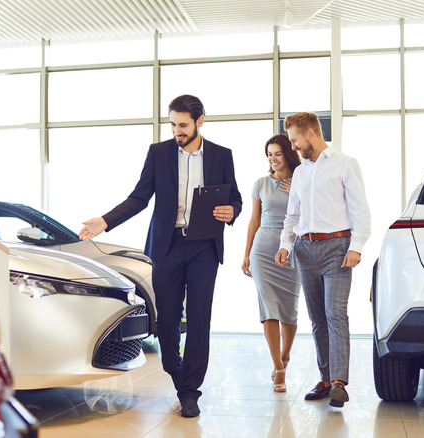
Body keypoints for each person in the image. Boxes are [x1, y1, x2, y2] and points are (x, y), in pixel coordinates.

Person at [80, 94, 242, 418]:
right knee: (167, 319)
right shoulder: (158, 153)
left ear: (200, 121)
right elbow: (139, 197)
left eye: (182, 125)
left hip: (204, 246)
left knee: (199, 319)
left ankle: (190, 391)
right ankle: (177, 371)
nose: (176, 131)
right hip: (167, 246)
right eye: (172, 124)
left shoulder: (221, 156)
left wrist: (232, 211)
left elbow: (234, 198)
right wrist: (105, 221)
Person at [274, 112, 370, 408]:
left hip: (337, 249)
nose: (293, 147)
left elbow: (360, 210)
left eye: (294, 140)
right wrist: (285, 245)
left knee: (334, 313)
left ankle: (340, 382)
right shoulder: (301, 172)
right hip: (305, 249)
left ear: (310, 134)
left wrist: (356, 247)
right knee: (317, 319)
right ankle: (326, 379)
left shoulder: (345, 164)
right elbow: (293, 214)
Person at [241, 134, 301, 393]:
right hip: (263, 250)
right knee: (268, 307)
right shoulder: (260, 184)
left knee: (289, 309)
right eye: (269, 154)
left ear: (288, 154)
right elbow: (254, 221)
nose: (273, 159)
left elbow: (314, 215)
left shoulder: (303, 180)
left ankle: (285, 355)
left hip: (293, 251)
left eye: (277, 153)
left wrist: (300, 192)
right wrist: (246, 254)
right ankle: (277, 366)